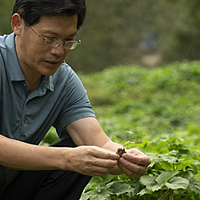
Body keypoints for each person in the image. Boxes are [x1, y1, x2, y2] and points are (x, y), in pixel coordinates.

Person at [0, 0, 151, 199]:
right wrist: (65, 158)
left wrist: (125, 157)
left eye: (68, 40)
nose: (58, 51)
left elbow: (97, 142)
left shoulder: (63, 80)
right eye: (49, 38)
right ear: (17, 24)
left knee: (78, 150)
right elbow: (67, 158)